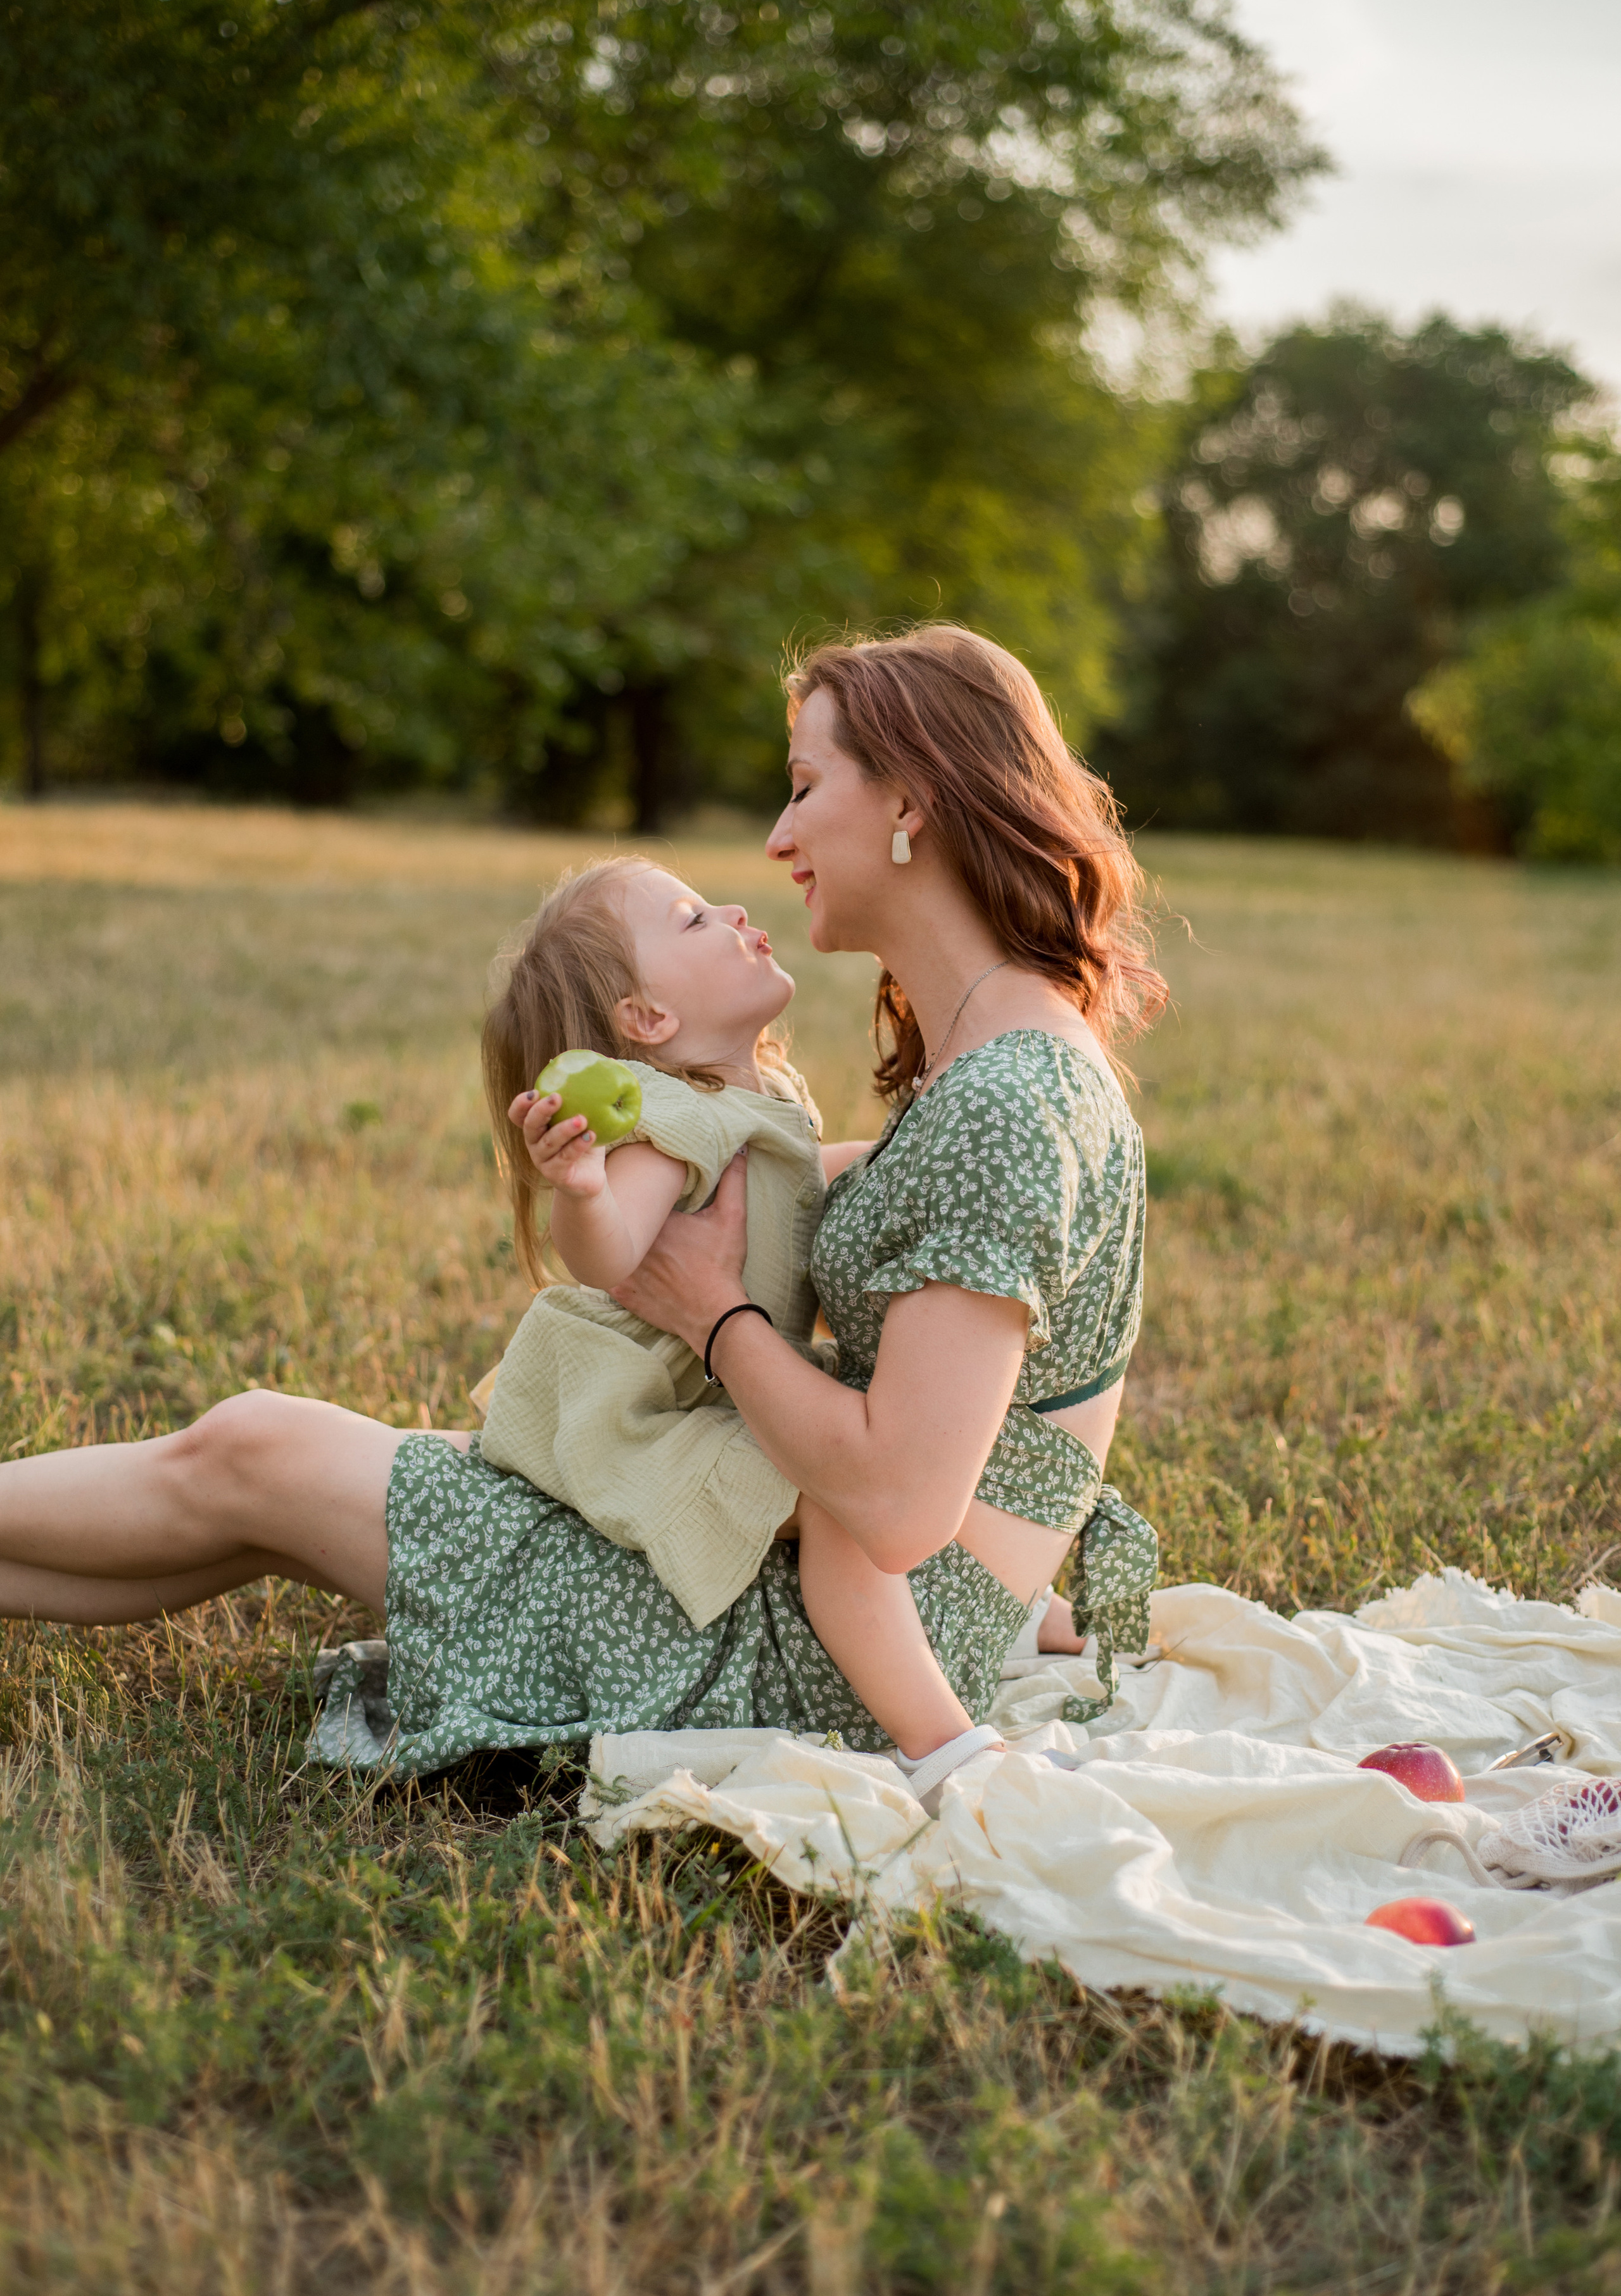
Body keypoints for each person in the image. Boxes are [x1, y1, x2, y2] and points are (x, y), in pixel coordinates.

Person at [0, 623, 1163, 1814]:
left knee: (256, 1456)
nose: (776, 838)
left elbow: (898, 1502)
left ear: (911, 800)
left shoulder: (1008, 1100)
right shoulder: (1006, 1059)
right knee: (257, 1487)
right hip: (780, 1566)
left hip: (812, 1656)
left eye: (806, 788)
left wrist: (711, 1314)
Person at [472, 850, 1001, 1772]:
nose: (729, 907)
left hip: (726, 1385)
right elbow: (612, 1256)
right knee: (845, 1493)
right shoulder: (667, 1122)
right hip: (652, 1418)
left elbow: (807, 1184)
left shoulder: (767, 1101)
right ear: (648, 1019)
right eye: (689, 919)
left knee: (911, 1429)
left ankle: (1026, 1613)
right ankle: (943, 1743)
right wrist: (585, 1188)